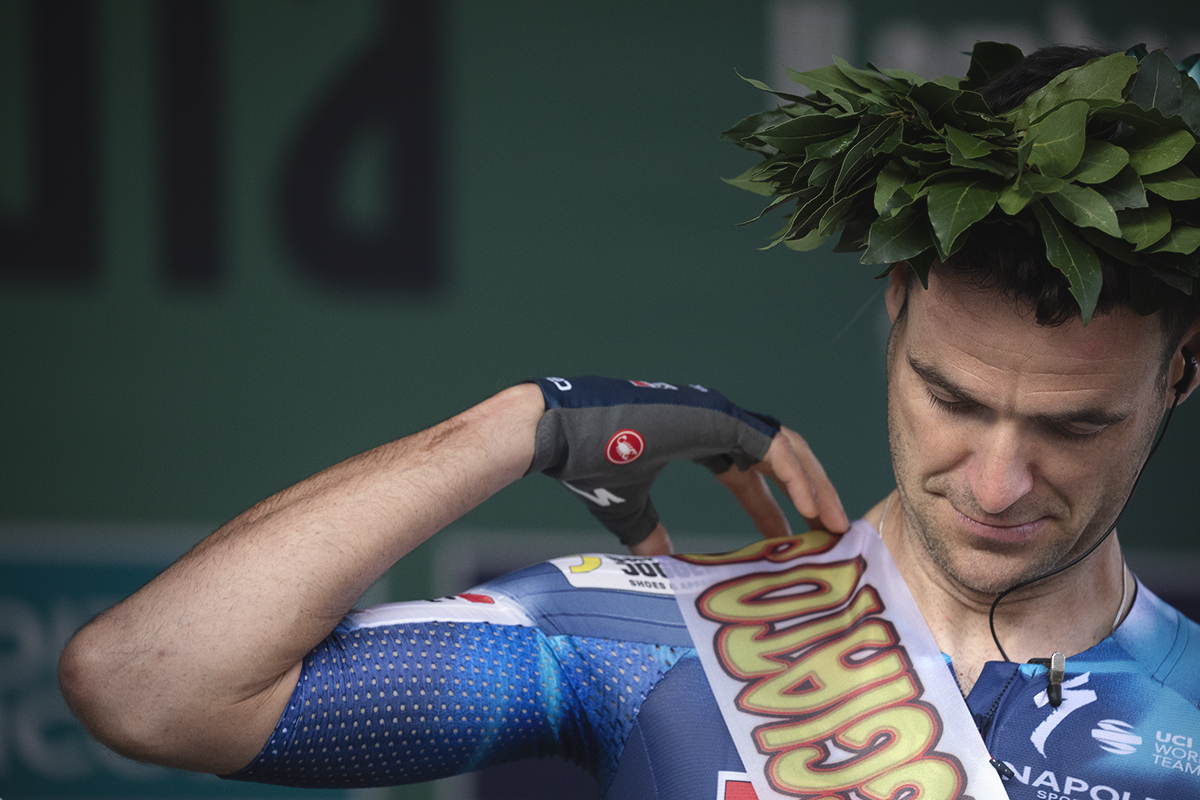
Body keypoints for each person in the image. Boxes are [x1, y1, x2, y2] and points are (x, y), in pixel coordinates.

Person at [58, 44, 1200, 800]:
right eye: (953, 399)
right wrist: (523, 424)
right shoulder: (654, 640)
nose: (998, 481)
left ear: (1182, 372)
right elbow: (147, 685)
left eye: (1073, 425)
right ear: (896, 305)